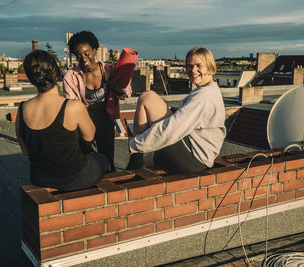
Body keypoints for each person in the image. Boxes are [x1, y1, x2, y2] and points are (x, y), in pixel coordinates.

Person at [15, 50, 110, 191]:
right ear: (57, 72)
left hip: (40, 178)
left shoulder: (22, 109)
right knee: (103, 160)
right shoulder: (72, 106)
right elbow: (89, 136)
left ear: (31, 79)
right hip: (75, 177)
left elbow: (25, 151)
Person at [128, 47, 226, 173]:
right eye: (190, 66)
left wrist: (135, 144)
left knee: (147, 97)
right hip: (199, 158)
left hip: (193, 156)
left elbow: (174, 127)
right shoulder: (211, 90)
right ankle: (135, 161)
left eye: (198, 66)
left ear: (210, 67)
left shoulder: (204, 96)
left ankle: (135, 155)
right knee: (145, 160)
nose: (193, 70)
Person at [63, 31, 132, 171]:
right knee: (86, 155)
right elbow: (71, 103)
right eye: (78, 56)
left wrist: (118, 89)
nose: (83, 58)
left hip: (105, 116)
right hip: (83, 118)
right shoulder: (71, 76)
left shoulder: (110, 70)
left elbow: (127, 93)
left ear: (95, 51)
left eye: (87, 53)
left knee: (107, 157)